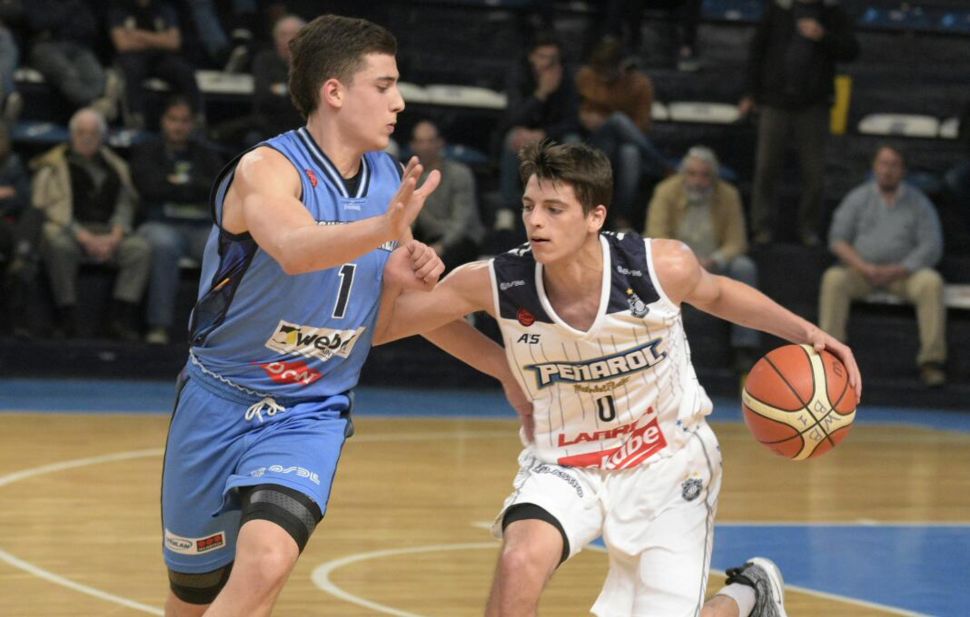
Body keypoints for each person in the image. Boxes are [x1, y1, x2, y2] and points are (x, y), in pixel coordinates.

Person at [377, 140, 861, 616]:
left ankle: (747, 594)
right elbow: (392, 326)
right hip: (566, 459)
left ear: (595, 217)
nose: (535, 220)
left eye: (553, 209)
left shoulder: (657, 267)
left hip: (668, 459)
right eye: (528, 206)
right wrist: (499, 364)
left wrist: (808, 332)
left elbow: (717, 294)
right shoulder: (499, 279)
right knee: (519, 561)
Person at [160, 15, 527, 617]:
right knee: (193, 596)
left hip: (309, 411)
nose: (399, 102)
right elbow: (295, 249)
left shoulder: (389, 180)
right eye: (384, 86)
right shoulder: (266, 169)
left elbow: (382, 323)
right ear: (334, 91)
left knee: (267, 561)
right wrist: (385, 229)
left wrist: (503, 367)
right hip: (218, 400)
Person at [819, 145, 946, 387]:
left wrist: (900, 269)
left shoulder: (919, 203)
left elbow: (931, 246)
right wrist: (863, 266)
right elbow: (837, 239)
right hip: (861, 272)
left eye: (894, 165)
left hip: (903, 275)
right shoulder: (858, 198)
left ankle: (932, 362)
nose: (888, 170)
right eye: (883, 164)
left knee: (931, 283)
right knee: (834, 279)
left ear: (904, 170)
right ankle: (831, 357)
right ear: (874, 167)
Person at [740, 0, 858, 246]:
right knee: (766, 168)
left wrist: (823, 36)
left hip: (813, 105)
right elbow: (757, 50)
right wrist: (750, 93)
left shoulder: (832, 12)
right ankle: (761, 227)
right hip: (775, 101)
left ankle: (809, 229)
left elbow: (851, 50)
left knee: (814, 172)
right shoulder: (778, 9)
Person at [31, 107, 149, 339]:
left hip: (108, 231)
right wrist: (84, 237)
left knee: (140, 249)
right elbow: (52, 208)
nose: (86, 138)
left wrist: (115, 235)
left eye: (93, 133)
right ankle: (66, 316)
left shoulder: (116, 167)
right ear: (71, 135)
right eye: (81, 132)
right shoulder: (54, 166)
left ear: (102, 137)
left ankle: (118, 317)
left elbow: (125, 203)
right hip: (69, 230)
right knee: (57, 245)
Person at [646, 145, 761, 372]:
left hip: (712, 265)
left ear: (714, 176)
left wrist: (714, 259)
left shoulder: (728, 195)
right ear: (683, 174)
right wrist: (684, 260)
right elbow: (655, 233)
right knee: (646, 265)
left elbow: (737, 241)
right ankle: (654, 345)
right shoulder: (666, 191)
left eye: (704, 175)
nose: (698, 181)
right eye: (692, 174)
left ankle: (744, 347)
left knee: (744, 267)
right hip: (674, 263)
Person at [132, 95, 224, 345]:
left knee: (222, 248)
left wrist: (175, 185)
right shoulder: (147, 150)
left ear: (192, 124)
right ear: (163, 121)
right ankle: (158, 326)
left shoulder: (206, 153)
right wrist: (191, 186)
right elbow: (150, 188)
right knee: (164, 246)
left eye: (184, 121)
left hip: (199, 226)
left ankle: (216, 329)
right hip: (158, 223)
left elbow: (217, 188)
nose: (178, 126)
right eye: (173, 120)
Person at [575, 37, 669, 232]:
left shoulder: (639, 84)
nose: (603, 77)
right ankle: (662, 165)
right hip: (592, 140)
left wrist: (607, 119)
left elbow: (642, 125)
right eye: (599, 72)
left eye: (608, 72)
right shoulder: (585, 77)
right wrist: (585, 117)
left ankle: (621, 217)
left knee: (629, 150)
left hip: (624, 142)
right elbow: (572, 110)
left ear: (621, 67)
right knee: (617, 121)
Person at [497, 31, 579, 219]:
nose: (547, 63)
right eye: (542, 57)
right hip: (523, 133)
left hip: (553, 135)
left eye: (552, 58)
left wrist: (543, 133)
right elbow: (513, 118)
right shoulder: (518, 75)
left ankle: (568, 204)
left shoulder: (566, 78)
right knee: (513, 137)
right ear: (531, 57)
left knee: (574, 141)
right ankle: (506, 208)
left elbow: (572, 122)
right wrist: (541, 94)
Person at [108, 0, 203, 129]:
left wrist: (137, 35)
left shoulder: (164, 8)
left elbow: (174, 43)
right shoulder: (119, 9)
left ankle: (197, 117)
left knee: (184, 71)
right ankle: (135, 119)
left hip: (160, 57)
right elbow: (122, 44)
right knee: (131, 70)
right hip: (132, 57)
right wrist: (160, 39)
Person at [408, 119, 484, 272]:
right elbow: (410, 220)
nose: (425, 147)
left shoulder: (460, 174)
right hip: (429, 238)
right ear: (412, 145)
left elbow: (461, 222)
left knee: (440, 264)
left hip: (462, 239)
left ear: (440, 143)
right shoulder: (410, 176)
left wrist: (441, 247)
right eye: (420, 141)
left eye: (430, 141)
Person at [250, 14, 305, 140]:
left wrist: (281, 90)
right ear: (275, 39)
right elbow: (264, 96)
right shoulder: (264, 60)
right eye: (283, 35)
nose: (288, 39)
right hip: (270, 128)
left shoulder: (314, 63)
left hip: (304, 129)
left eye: (293, 34)